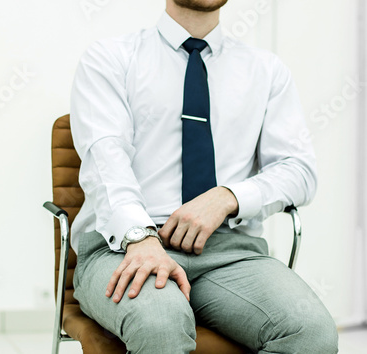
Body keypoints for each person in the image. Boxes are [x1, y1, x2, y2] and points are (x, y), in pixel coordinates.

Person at [69, 0, 339, 352]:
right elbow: (105, 162)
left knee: (312, 332)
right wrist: (141, 238)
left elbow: (299, 170)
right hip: (122, 247)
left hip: (230, 252)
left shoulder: (266, 70)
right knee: (161, 324)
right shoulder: (109, 58)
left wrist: (228, 197)